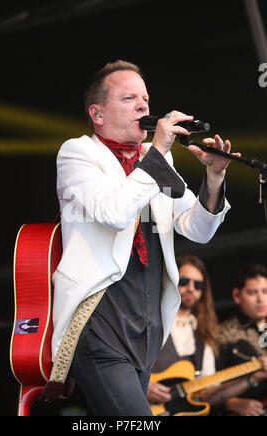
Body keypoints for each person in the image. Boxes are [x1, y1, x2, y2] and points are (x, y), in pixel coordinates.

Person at [48, 60, 236, 416]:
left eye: (146, 100)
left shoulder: (152, 157)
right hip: (100, 321)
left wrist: (213, 177)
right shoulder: (78, 154)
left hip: (147, 325)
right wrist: (161, 152)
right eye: (129, 98)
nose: (143, 107)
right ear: (98, 113)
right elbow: (114, 213)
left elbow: (198, 228)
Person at [147, 255, 267, 416]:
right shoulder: (148, 320)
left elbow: (210, 393)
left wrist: (253, 378)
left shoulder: (204, 335)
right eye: (184, 281)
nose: (191, 288)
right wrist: (142, 385)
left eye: (198, 285)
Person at [217, 263, 267, 416]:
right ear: (237, 296)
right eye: (252, 292)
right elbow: (208, 389)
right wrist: (230, 403)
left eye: (265, 291)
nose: (260, 299)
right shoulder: (223, 333)